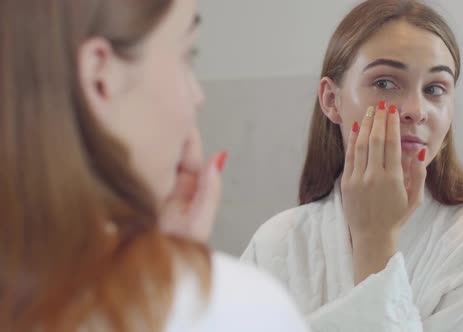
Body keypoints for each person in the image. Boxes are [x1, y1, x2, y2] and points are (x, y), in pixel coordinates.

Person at [0, 0, 309, 331]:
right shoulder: (242, 309)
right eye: (187, 55)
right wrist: (178, 281)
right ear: (100, 76)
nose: (198, 96)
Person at [241, 0, 463, 331]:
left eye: (435, 89)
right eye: (385, 83)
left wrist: (375, 241)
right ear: (331, 100)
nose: (416, 109)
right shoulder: (274, 242)